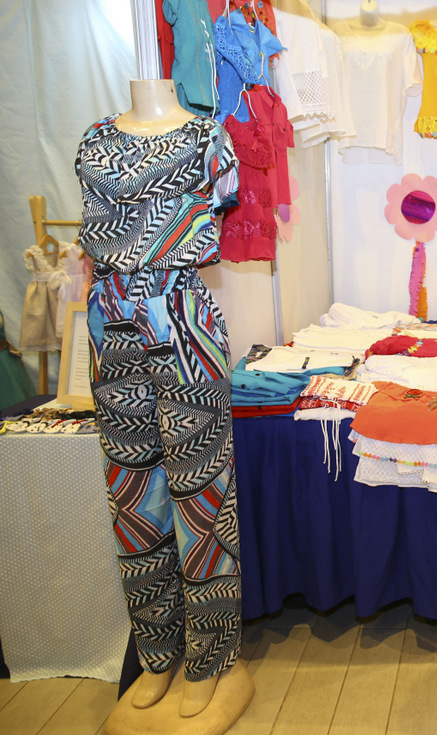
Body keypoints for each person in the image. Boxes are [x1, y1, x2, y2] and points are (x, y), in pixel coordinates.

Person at [76, 79, 252, 730]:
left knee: (201, 493)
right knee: (130, 492)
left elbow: (208, 225)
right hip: (109, 315)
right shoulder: (96, 139)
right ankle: (157, 652)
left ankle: (211, 657)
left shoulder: (208, 137)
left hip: (180, 311)